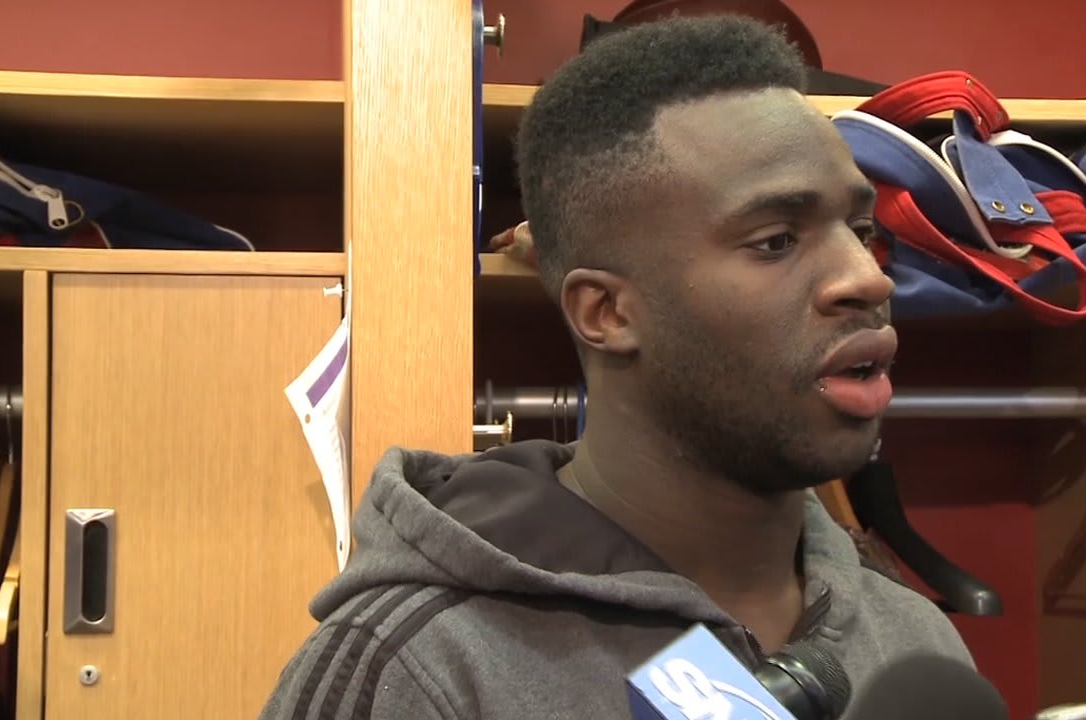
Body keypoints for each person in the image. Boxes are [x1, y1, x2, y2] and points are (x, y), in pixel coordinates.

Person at [259, 14, 973, 720]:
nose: (868, 279)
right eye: (776, 240)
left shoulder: (916, 643)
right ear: (606, 313)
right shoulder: (412, 669)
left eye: (861, 231)